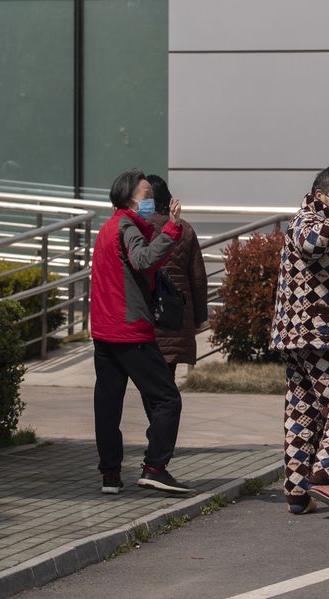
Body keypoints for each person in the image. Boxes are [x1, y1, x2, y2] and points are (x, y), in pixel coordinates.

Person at [271, 167, 329, 516]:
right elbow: (311, 243)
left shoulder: (320, 224)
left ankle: (297, 494)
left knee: (304, 413)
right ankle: (325, 475)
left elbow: (319, 277)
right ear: (320, 194)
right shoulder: (306, 220)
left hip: (304, 335)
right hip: (319, 336)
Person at [90, 169, 190, 495]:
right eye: (146, 196)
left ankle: (110, 475)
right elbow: (144, 259)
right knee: (167, 399)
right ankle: (155, 468)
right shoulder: (126, 227)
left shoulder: (108, 227)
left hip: (104, 333)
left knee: (108, 406)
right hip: (130, 332)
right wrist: (172, 227)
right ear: (129, 199)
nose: (151, 201)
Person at [146, 175, 209, 377]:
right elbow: (198, 278)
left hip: (147, 313)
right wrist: (199, 317)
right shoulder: (185, 229)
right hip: (176, 313)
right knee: (168, 379)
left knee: (150, 380)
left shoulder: (138, 229)